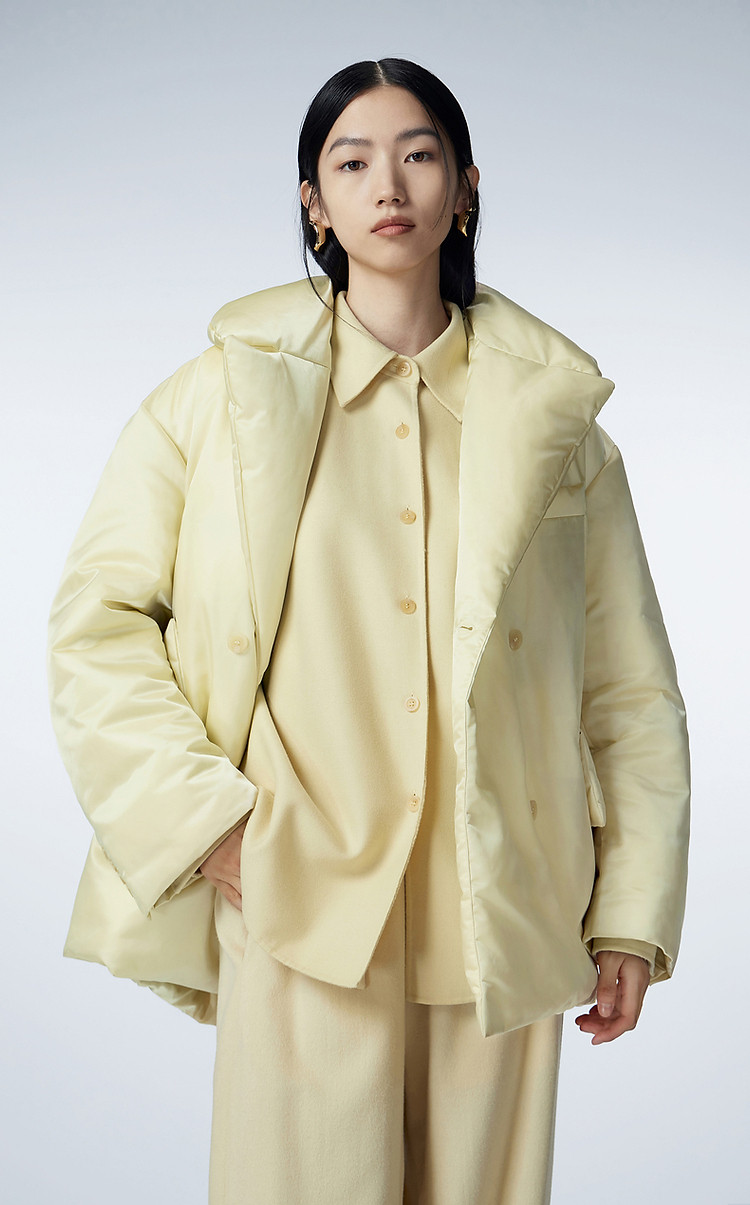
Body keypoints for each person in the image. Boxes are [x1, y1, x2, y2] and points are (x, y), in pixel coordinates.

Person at [47, 57, 690, 1205]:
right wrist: (209, 826)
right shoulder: (214, 401)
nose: (387, 185)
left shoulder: (561, 434)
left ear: (466, 187)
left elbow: (631, 690)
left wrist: (632, 918)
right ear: (315, 204)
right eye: (351, 162)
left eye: (419, 154)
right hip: (298, 897)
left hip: (505, 908)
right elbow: (98, 625)